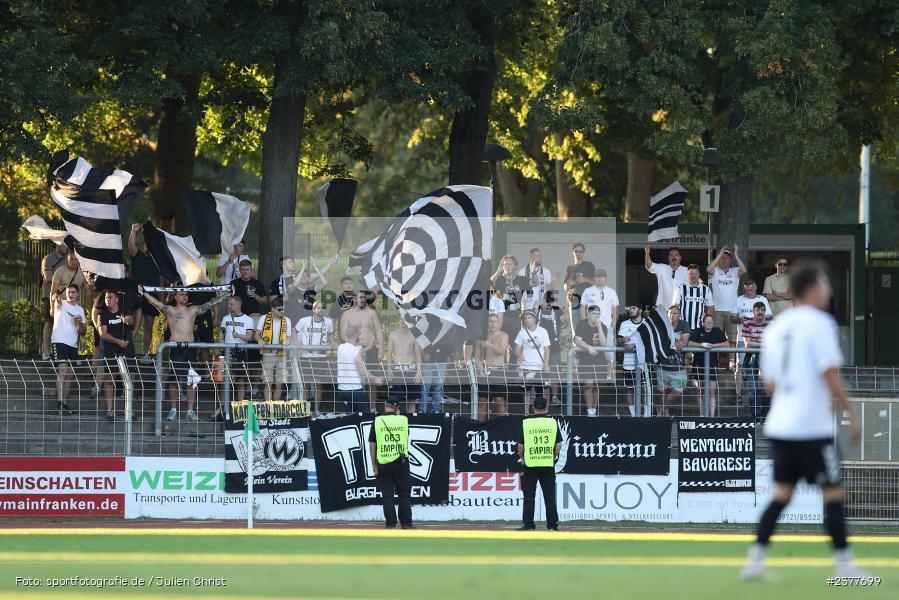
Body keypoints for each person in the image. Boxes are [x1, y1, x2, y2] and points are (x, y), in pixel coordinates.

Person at [742, 258, 864, 581]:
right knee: (834, 495)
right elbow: (829, 373)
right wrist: (851, 410)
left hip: (781, 426)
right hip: (813, 429)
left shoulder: (776, 328)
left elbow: (770, 383)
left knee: (781, 496)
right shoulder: (820, 323)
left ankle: (755, 561)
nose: (828, 289)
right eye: (824, 283)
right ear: (812, 289)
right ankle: (845, 565)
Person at [139, 285, 224, 421]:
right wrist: (144, 293)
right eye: (182, 294)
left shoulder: (193, 310)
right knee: (174, 380)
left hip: (190, 349)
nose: (185, 296)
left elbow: (208, 305)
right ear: (176, 297)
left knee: (191, 381)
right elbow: (157, 303)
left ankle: (190, 411)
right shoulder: (171, 310)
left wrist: (222, 297)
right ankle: (173, 410)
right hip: (176, 349)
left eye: (186, 294)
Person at [368, 396, 414, 529]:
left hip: (383, 462)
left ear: (385, 405)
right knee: (404, 493)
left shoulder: (377, 421)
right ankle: (406, 524)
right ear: (397, 408)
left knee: (387, 494)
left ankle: (390, 524)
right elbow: (406, 436)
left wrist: (374, 464)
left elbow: (372, 445)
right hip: (401, 461)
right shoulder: (403, 420)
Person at [517, 396, 562, 531]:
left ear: (533, 407)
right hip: (548, 464)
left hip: (530, 464)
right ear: (546, 407)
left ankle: (529, 525)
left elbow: (520, 446)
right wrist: (552, 456)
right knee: (550, 496)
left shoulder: (526, 423)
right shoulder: (552, 422)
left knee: (529, 496)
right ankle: (552, 526)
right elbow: (559, 444)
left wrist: (523, 458)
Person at [97, 289, 136, 421]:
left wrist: (128, 320)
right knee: (109, 379)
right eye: (107, 297)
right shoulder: (102, 314)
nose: (108, 300)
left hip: (127, 349)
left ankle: (129, 410)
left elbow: (132, 320)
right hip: (111, 349)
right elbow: (103, 334)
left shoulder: (125, 309)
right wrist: (117, 341)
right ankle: (110, 410)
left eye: (111, 297)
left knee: (129, 379)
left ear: (117, 299)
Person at [128, 223, 162, 362]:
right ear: (144, 247)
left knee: (149, 324)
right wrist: (133, 231)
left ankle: (146, 354)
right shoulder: (138, 256)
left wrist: (162, 299)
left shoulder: (159, 262)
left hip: (152, 297)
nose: (149, 247)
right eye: (147, 245)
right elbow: (131, 246)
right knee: (132, 323)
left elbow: (161, 281)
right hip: (136, 295)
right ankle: (128, 352)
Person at [50, 283, 85, 415]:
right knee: (63, 370)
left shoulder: (80, 310)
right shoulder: (61, 303)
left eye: (73, 292)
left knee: (69, 374)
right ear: (66, 293)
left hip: (73, 344)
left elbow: (83, 332)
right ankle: (59, 404)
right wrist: (56, 298)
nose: (71, 294)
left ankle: (64, 403)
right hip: (59, 340)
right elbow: (56, 301)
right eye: (69, 292)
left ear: (78, 294)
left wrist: (80, 323)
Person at [295, 301, 335, 413]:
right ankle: (305, 410)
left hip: (320, 356)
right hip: (305, 356)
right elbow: (294, 330)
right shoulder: (304, 320)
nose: (320, 309)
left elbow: (331, 334)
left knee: (318, 384)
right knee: (306, 384)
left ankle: (316, 410)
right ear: (313, 310)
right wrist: (296, 342)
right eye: (317, 307)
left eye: (322, 307)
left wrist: (332, 343)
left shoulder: (328, 322)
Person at [579, 268, 619, 377]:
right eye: (597, 276)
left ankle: (609, 375)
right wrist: (584, 323)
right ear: (594, 278)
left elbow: (615, 309)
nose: (600, 278)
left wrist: (613, 323)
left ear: (606, 278)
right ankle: (591, 374)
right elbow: (582, 308)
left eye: (602, 276)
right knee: (590, 349)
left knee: (609, 351)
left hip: (606, 326)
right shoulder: (588, 291)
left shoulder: (611, 292)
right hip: (590, 326)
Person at [706, 244, 748, 344]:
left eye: (727, 258)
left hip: (732, 311)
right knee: (716, 339)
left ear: (730, 260)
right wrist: (719, 255)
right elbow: (708, 270)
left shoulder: (734, 271)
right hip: (717, 310)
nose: (724, 259)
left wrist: (736, 255)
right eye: (722, 258)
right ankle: (717, 360)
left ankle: (732, 360)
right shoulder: (715, 271)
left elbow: (744, 270)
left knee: (732, 339)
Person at [689, 314, 729, 416]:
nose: (709, 323)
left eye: (711, 321)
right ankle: (702, 414)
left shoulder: (717, 331)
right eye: (707, 321)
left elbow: (726, 344)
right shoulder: (698, 331)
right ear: (703, 323)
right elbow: (689, 343)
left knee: (712, 392)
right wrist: (701, 345)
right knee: (700, 390)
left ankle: (711, 416)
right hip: (698, 364)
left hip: (712, 365)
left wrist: (714, 346)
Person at [337, 324, 383, 413]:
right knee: (365, 415)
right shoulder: (355, 350)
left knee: (350, 416)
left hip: (342, 389)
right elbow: (362, 371)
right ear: (355, 335)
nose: (360, 334)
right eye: (359, 333)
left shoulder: (341, 347)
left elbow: (356, 352)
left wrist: (369, 346)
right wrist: (375, 379)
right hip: (354, 390)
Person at [219, 296, 256, 404]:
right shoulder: (226, 318)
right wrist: (220, 344)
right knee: (223, 380)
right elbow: (222, 333)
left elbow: (250, 337)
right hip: (226, 351)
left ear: (238, 305)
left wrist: (239, 335)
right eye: (228, 304)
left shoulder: (248, 320)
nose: (228, 306)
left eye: (231, 304)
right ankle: (223, 405)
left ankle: (240, 405)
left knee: (240, 380)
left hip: (240, 352)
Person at [573, 306, 608, 416]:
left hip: (599, 360)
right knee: (588, 385)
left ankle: (594, 409)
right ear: (588, 314)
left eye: (598, 314)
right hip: (585, 359)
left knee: (596, 386)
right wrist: (589, 347)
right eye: (593, 314)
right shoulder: (581, 324)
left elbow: (603, 343)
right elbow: (577, 340)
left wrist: (599, 328)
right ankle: (589, 410)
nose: (595, 316)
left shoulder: (603, 326)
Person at [256, 297, 293, 402]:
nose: (282, 311)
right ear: (272, 309)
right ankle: (268, 407)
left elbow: (289, 337)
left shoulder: (287, 320)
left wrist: (287, 341)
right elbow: (256, 334)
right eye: (279, 309)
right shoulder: (264, 318)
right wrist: (259, 340)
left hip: (282, 355)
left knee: (279, 384)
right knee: (268, 383)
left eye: (283, 309)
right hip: (268, 355)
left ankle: (275, 407)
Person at [657, 305, 690, 417]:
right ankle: (665, 412)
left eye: (675, 313)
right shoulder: (662, 326)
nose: (672, 315)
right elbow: (659, 343)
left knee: (678, 389)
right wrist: (674, 344)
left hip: (679, 368)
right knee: (663, 392)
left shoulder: (684, 324)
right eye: (670, 313)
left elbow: (684, 343)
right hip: (662, 367)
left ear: (679, 315)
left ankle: (661, 409)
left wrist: (668, 345)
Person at [475, 313, 509, 421]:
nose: (493, 324)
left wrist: (489, 345)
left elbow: (502, 351)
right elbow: (476, 356)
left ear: (498, 323)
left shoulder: (503, 335)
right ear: (487, 323)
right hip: (485, 370)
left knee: (499, 400)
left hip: (498, 370)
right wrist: (480, 370)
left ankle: (503, 424)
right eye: (491, 321)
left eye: (495, 321)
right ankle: (480, 426)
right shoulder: (481, 336)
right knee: (482, 400)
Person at [741, 302, 771, 418]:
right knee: (753, 388)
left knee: (767, 388)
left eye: (762, 310)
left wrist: (757, 342)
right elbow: (748, 343)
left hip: (767, 359)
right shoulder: (747, 323)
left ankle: (766, 416)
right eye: (757, 310)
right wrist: (763, 342)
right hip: (751, 358)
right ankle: (756, 417)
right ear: (753, 311)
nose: (760, 312)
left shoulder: (770, 324)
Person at [514, 310, 550, 407]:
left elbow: (546, 349)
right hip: (526, 366)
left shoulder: (543, 331)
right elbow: (516, 349)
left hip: (540, 366)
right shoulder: (522, 332)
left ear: (534, 319)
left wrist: (546, 364)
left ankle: (542, 412)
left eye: (529, 317)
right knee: (527, 391)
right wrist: (520, 357)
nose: (526, 320)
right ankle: (526, 412)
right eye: (525, 318)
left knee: (541, 391)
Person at [491, 255, 529, 343]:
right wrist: (498, 271)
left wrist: (534, 272)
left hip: (515, 317)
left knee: (514, 345)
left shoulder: (521, 279)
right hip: (500, 317)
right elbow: (489, 282)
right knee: (499, 343)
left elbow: (535, 283)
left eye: (509, 264)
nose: (507, 266)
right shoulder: (499, 279)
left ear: (515, 266)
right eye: (505, 264)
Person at [617, 305, 647, 417]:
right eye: (630, 308)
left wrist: (634, 345)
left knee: (645, 388)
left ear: (640, 310)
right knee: (630, 388)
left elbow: (650, 342)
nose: (631, 310)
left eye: (634, 308)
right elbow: (619, 342)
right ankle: (633, 414)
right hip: (628, 363)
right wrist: (622, 341)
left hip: (644, 362)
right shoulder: (624, 324)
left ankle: (646, 413)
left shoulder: (647, 323)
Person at [40, 242, 69, 359]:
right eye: (64, 244)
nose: (66, 247)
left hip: (66, 297)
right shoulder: (48, 259)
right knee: (50, 322)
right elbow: (48, 277)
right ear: (57, 245)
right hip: (50, 295)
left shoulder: (69, 259)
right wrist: (65, 280)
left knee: (66, 324)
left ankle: (64, 353)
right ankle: (45, 351)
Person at [386, 324, 422, 415]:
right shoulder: (393, 334)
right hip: (397, 370)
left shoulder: (414, 334)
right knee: (394, 401)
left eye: (404, 319)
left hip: (410, 369)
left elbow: (418, 353)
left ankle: (410, 422)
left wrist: (419, 372)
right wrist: (389, 369)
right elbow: (389, 352)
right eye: (400, 318)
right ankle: (396, 423)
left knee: (412, 401)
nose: (402, 321)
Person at [339, 291, 383, 364]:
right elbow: (343, 335)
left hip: (370, 349)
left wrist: (381, 348)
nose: (363, 300)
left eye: (364, 298)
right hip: (353, 350)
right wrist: (354, 346)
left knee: (371, 373)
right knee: (354, 374)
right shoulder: (347, 314)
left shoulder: (371, 312)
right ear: (354, 299)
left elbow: (379, 330)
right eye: (361, 298)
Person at [673, 264, 715, 331]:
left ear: (699, 274)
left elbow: (711, 309)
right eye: (691, 273)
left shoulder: (706, 289)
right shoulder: (680, 288)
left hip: (699, 327)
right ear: (687, 275)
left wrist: (707, 323)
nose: (693, 276)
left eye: (695, 273)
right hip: (683, 327)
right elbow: (675, 308)